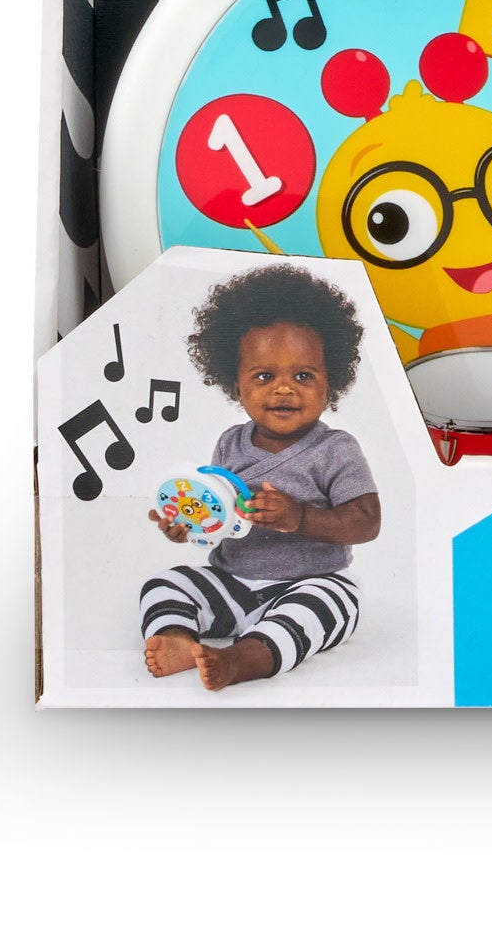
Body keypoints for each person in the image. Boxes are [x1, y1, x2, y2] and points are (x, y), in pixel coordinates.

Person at [140, 267, 380, 691]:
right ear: (236, 387)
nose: (284, 389)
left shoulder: (336, 449)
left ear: (331, 384)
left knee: (323, 608)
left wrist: (300, 517)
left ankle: (241, 659)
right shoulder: (229, 443)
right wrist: (189, 525)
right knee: (164, 583)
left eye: (303, 376)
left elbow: (367, 522)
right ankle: (178, 640)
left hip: (312, 581)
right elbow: (218, 519)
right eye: (264, 376)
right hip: (232, 583)